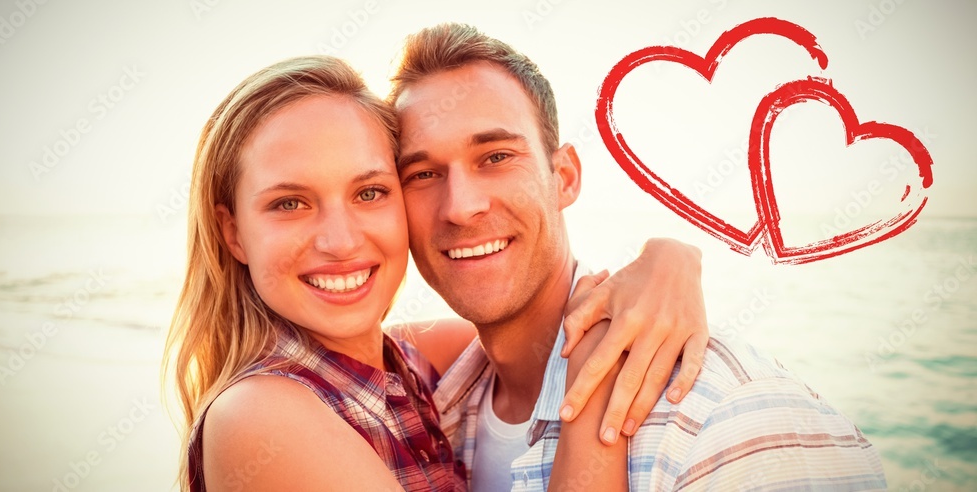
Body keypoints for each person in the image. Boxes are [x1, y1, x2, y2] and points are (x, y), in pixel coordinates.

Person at [162, 55, 709, 491]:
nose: (341, 240)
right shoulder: (261, 417)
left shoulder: (419, 362)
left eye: (369, 192)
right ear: (232, 232)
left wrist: (670, 260)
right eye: (289, 204)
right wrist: (590, 413)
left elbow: (520, 325)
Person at [388, 23, 888, 490]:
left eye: (496, 157)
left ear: (564, 178)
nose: (460, 206)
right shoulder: (429, 405)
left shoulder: (722, 417)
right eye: (423, 174)